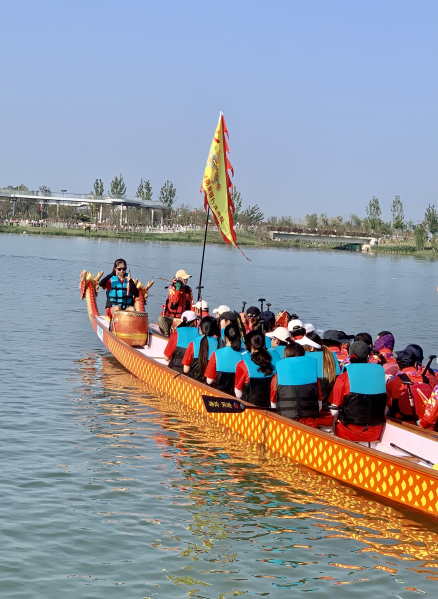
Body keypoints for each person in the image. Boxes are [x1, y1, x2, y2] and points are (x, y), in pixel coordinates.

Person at [328, 341, 388, 442]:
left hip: (348, 433)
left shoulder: (343, 377)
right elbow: (385, 410)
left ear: (349, 356)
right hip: (374, 434)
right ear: (368, 357)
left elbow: (334, 412)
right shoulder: (380, 375)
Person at [270, 341, 321, 427]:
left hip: (286, 424)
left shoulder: (276, 378)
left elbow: (273, 405)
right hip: (310, 425)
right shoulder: (313, 377)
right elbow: (319, 406)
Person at [297, 331, 340, 421]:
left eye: (302, 347)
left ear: (311, 348)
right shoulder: (332, 358)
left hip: (311, 415)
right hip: (330, 414)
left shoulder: (304, 360)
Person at [386, 344, 434, 421]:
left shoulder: (393, 380)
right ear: (416, 364)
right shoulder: (428, 379)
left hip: (401, 422)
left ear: (398, 366)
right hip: (423, 422)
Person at [234, 330, 277, 406]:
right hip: (268, 407)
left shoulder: (242, 364)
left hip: (250, 408)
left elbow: (238, 394)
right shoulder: (272, 362)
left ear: (249, 344)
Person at [205, 323, 245, 394]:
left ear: (225, 337)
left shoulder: (216, 354)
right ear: (239, 336)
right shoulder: (246, 354)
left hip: (221, 395)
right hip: (241, 395)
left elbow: (209, 381)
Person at [182, 316, 219, 381]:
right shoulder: (220, 344)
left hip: (194, 380)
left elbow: (186, 369)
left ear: (201, 328)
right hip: (212, 383)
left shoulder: (193, 343)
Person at [158, 269, 193, 337]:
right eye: (184, 279)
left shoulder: (188, 290)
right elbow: (174, 303)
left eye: (186, 279)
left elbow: (191, 303)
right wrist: (178, 289)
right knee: (161, 319)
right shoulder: (171, 289)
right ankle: (166, 336)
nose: (186, 280)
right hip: (170, 317)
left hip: (183, 318)